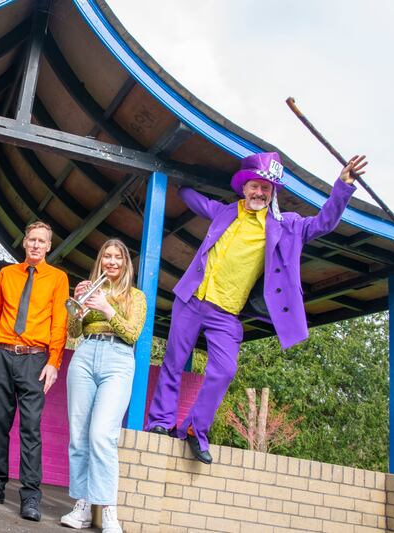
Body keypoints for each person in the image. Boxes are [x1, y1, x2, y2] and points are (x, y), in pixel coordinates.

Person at [145, 152, 367, 464]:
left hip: (226, 313)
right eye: (255, 186)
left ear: (272, 192)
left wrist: (343, 186)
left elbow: (323, 223)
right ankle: (160, 421)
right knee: (173, 361)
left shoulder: (284, 226)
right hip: (191, 298)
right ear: (244, 188)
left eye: (266, 188)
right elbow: (196, 200)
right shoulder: (225, 211)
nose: (259, 193)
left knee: (224, 370)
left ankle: (195, 428)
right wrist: (176, 175)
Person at [0, 221, 69, 522]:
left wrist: (54, 361)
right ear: (24, 242)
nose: (36, 245)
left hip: (35, 359)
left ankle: (30, 497)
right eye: (32, 240)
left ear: (49, 246)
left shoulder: (58, 278)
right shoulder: (7, 274)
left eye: (42, 241)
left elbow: (59, 322)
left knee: (30, 428)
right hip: (1, 355)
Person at [61, 239, 146, 533]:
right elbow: (74, 332)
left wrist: (107, 308)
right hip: (85, 354)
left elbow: (132, 334)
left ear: (125, 263)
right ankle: (83, 505)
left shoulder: (135, 296)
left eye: (117, 257)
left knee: (102, 435)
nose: (112, 261)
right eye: (107, 256)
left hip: (118, 359)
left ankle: (108, 509)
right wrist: (78, 303)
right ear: (100, 261)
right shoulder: (90, 290)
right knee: (79, 436)